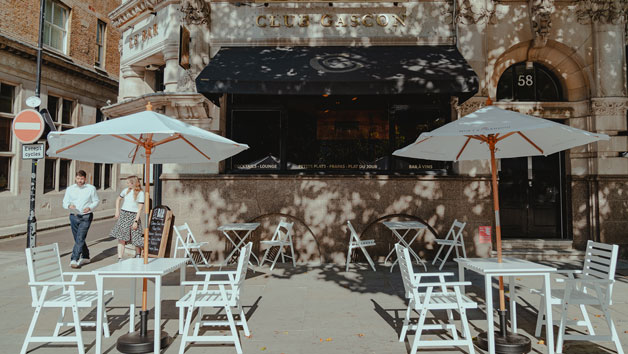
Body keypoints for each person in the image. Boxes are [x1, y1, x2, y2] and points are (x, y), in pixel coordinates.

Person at [62, 170, 100, 269]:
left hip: (86, 216)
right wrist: (69, 205)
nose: (80, 181)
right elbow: (64, 202)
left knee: (80, 238)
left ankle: (74, 259)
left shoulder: (91, 188)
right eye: (78, 179)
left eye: (82, 179)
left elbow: (96, 201)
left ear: (85, 179)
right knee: (78, 238)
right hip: (74, 216)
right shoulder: (70, 189)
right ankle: (86, 256)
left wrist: (90, 207)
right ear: (75, 178)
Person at [110, 175, 145, 261]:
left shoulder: (140, 193)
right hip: (124, 214)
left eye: (128, 183)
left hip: (133, 215)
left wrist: (136, 221)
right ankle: (120, 257)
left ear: (133, 183)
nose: (127, 184)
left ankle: (138, 254)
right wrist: (117, 211)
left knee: (135, 236)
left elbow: (140, 208)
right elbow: (118, 199)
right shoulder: (126, 191)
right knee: (121, 237)